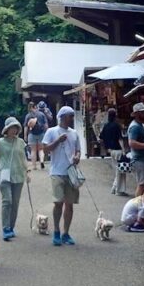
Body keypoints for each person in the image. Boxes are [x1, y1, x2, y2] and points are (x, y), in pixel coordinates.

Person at [42, 105, 81, 246]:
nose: (72, 118)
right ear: (62, 117)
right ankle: (56, 231)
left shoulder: (74, 133)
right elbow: (45, 150)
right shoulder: (51, 131)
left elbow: (78, 150)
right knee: (58, 202)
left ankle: (66, 233)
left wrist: (77, 157)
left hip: (71, 172)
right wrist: (58, 141)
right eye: (70, 116)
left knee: (69, 204)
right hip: (57, 171)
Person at [0, 117, 28, 241]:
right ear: (6, 129)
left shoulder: (21, 142)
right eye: (12, 128)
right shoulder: (0, 143)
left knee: (15, 203)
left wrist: (27, 172)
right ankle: (5, 228)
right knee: (7, 201)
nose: (14, 130)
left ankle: (11, 227)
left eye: (16, 128)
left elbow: (23, 158)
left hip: (19, 175)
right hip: (5, 174)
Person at [100, 108, 128, 196]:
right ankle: (118, 190)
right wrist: (124, 150)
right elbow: (120, 139)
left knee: (117, 169)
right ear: (115, 116)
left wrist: (107, 148)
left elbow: (101, 138)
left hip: (111, 151)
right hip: (118, 150)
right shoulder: (117, 126)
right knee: (120, 171)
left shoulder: (106, 126)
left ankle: (115, 188)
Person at [24, 100, 50, 169]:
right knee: (41, 149)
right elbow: (45, 125)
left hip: (31, 134)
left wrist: (25, 135)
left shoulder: (28, 115)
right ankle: (41, 161)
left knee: (33, 150)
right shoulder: (41, 114)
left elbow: (26, 126)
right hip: (41, 133)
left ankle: (34, 166)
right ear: (36, 106)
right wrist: (47, 133)